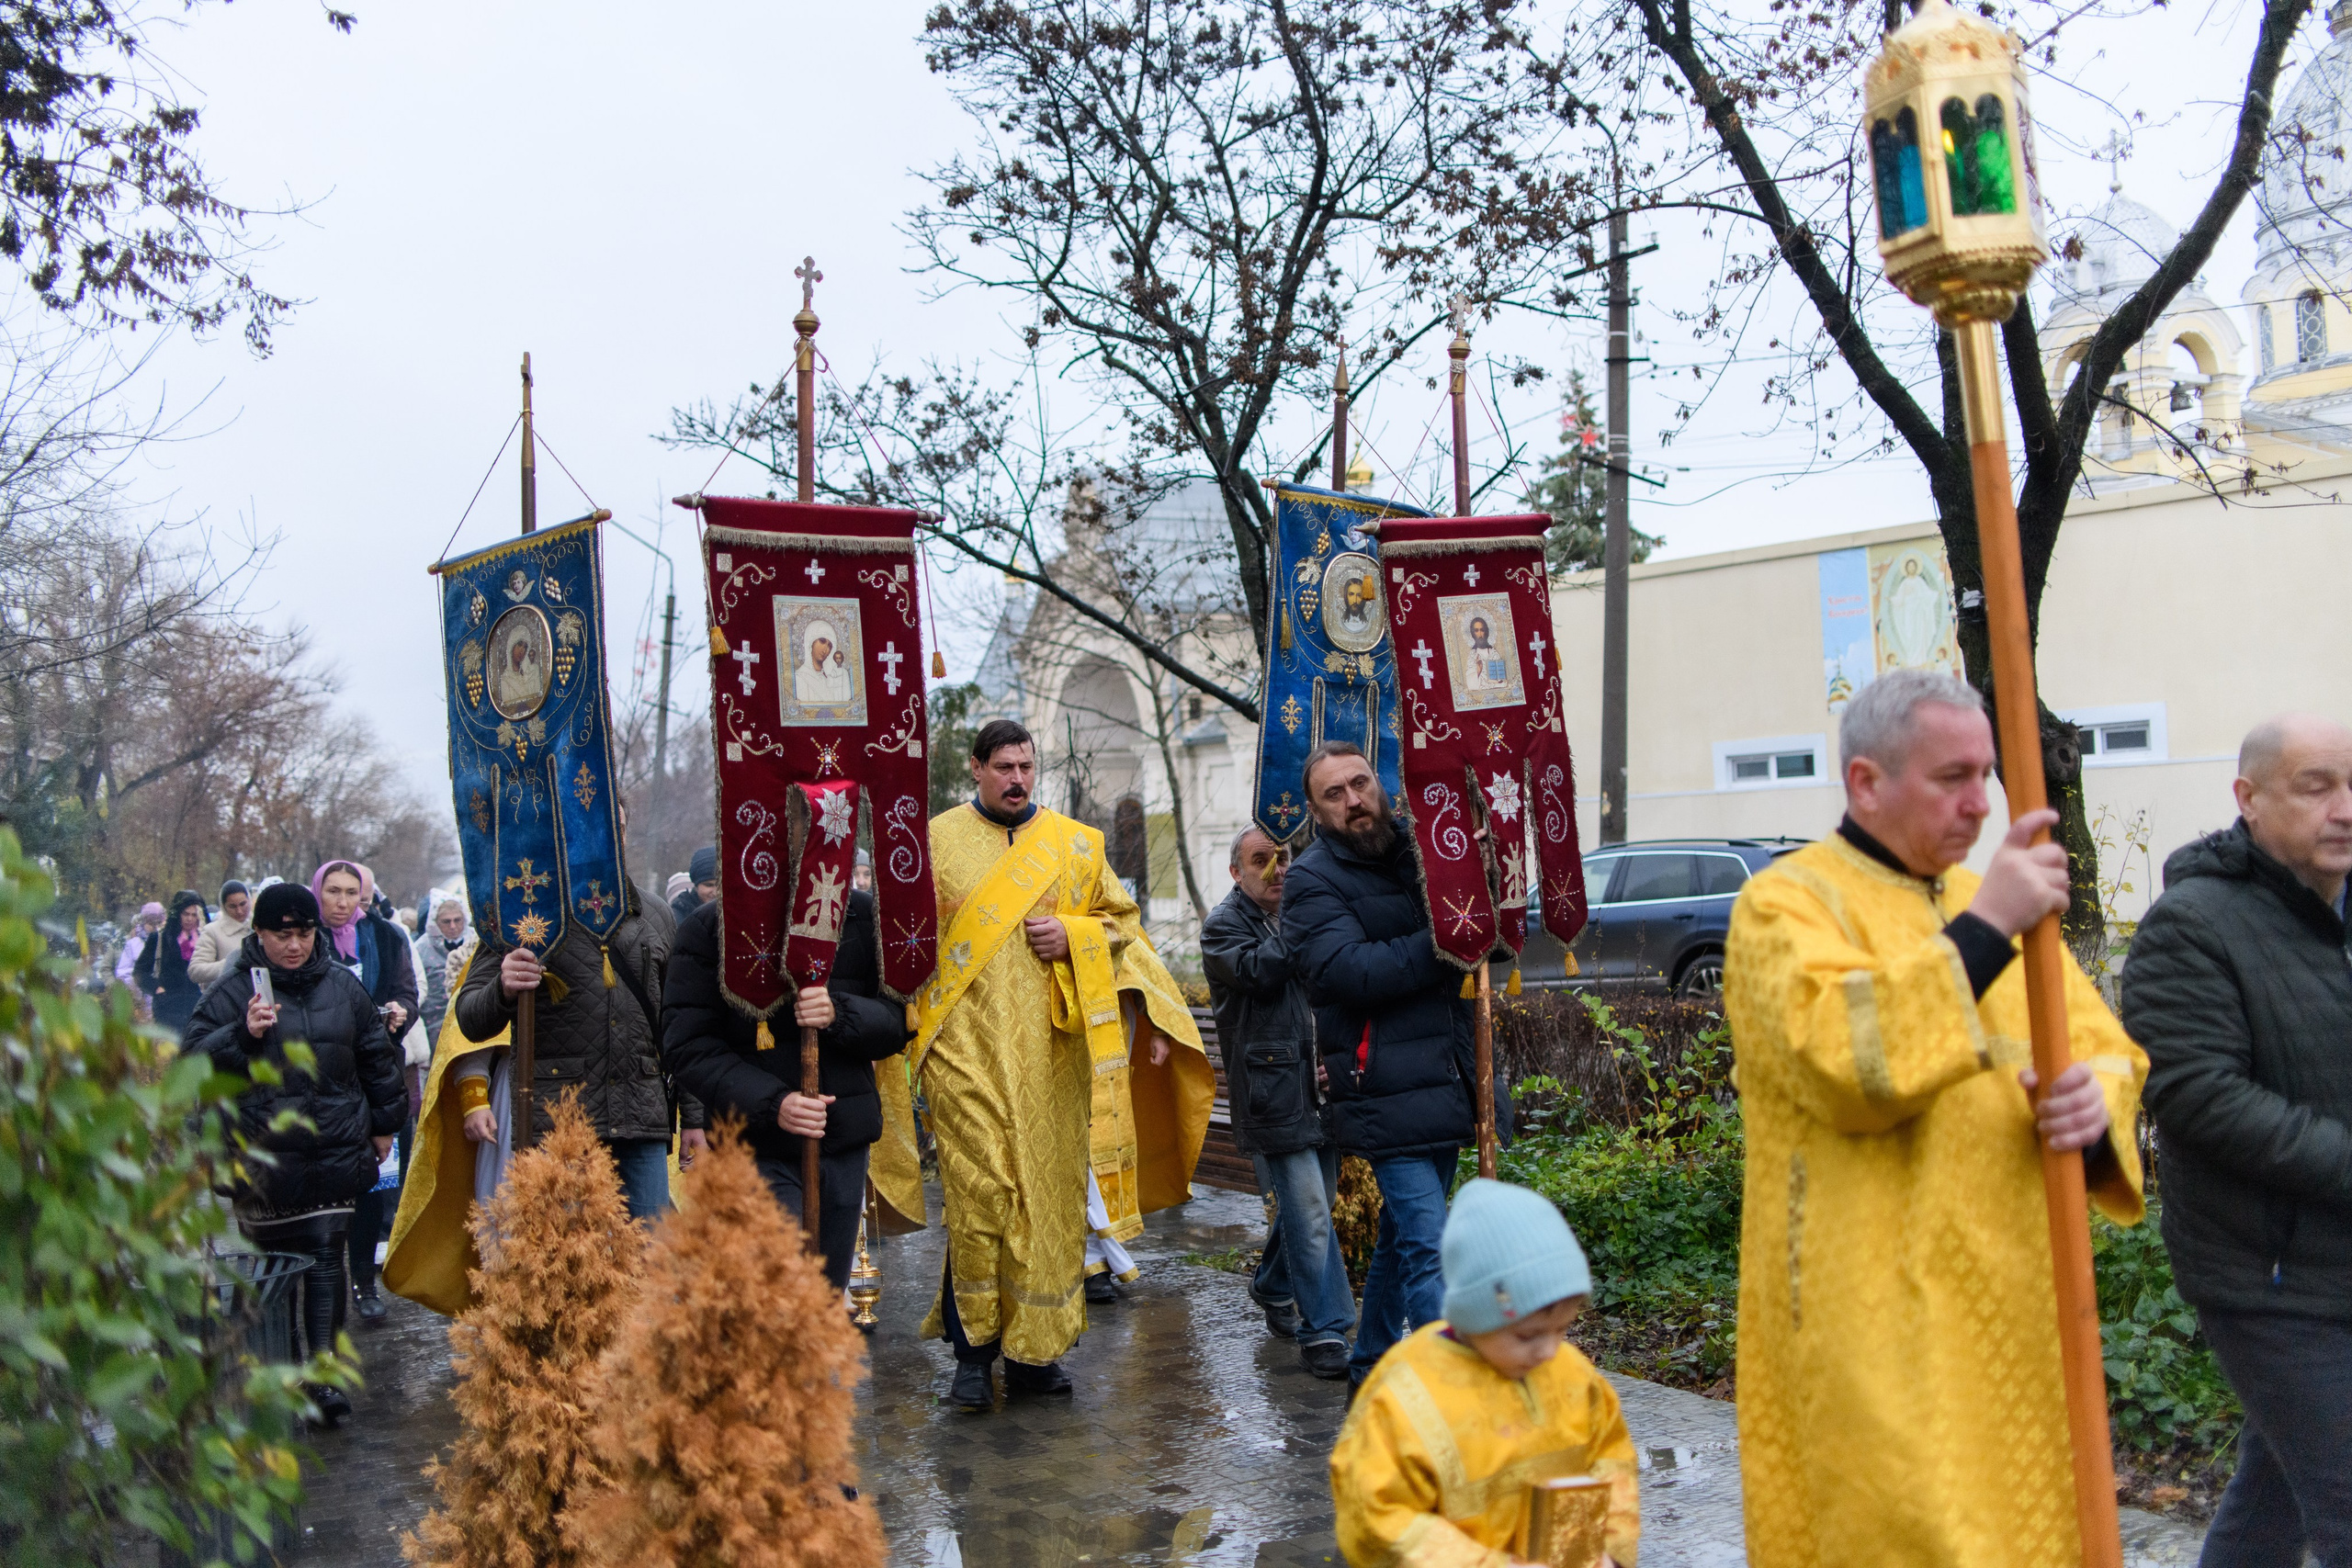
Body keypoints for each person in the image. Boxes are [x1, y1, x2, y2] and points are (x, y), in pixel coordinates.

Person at [1723, 669, 2147, 1568]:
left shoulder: (1980, 903)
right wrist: (1991, 921)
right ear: (1866, 783)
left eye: (1986, 775)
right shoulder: (1784, 905)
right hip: (1869, 1316)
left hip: (2006, 1302)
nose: (1979, 804)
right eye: (1951, 778)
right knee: (1898, 1532)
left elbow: (2101, 1046)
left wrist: (2089, 1097)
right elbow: (1845, 1063)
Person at [869, 718, 1214, 1412]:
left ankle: (1033, 1355)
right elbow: (899, 936)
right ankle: (973, 1355)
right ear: (976, 768)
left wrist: (1076, 935)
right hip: (961, 1050)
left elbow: (1123, 926)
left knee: (1045, 1201)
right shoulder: (935, 842)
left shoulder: (1076, 847)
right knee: (981, 1194)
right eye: (1003, 766)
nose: (1018, 778)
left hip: (1053, 1057)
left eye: (1027, 765)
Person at [2120, 712, 2352, 1568]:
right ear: (2247, 799)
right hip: (2270, 1278)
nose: (2345, 807)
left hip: (2340, 1261)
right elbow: (2196, 1096)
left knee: (2271, 1503)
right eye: (2317, 785)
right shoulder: (2191, 926)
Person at [1282, 740, 1476, 1393]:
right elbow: (1348, 971)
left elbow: (1488, 940)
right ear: (1315, 810)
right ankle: (1446, 1397)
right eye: (1333, 794)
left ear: (1379, 783)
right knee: (1429, 1242)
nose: (1353, 801)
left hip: (1447, 1075)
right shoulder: (1311, 880)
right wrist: (1449, 934)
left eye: (1360, 783)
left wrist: (1482, 905)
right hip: (1382, 1086)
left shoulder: (1424, 853)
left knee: (1401, 1236)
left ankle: (1369, 1364)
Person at [183, 882, 405, 1425]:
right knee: (278, 1270)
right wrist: (242, 1035)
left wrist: (384, 1125)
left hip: (332, 1147)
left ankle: (323, 1379)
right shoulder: (234, 991)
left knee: (327, 1261)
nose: (294, 945)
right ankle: (280, 1373)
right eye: (282, 934)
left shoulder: (342, 987)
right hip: (265, 1160)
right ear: (258, 933)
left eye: (303, 933)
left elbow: (374, 1057)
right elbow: (189, 1063)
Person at [1330, 1179, 1638, 1568]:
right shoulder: (1406, 1392)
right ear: (1474, 1316)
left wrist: (1610, 1551)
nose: (1549, 1351)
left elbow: (1612, 1463)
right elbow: (1376, 1514)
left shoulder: (1574, 1375)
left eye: (1563, 1329)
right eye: (1527, 1335)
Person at [662, 884, 909, 1289]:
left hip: (843, 1143)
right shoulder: (710, 927)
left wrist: (840, 1013)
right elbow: (687, 1043)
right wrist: (773, 1103)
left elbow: (900, 1021)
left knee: (826, 1299)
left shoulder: (862, 916)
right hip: (754, 1146)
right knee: (775, 1295)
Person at [447, 869, 701, 1222]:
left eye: (615, 822)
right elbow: (471, 1019)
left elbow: (680, 1023)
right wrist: (503, 987)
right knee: (566, 1264)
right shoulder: (523, 910)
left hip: (640, 1116)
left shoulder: (654, 912)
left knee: (650, 1258)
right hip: (557, 1122)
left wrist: (694, 1116)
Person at [1202, 824, 1353, 1380]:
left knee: (1316, 1206)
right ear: (1236, 872)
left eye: (1284, 858)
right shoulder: (1223, 927)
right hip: (1272, 1092)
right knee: (1310, 1213)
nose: (1277, 870)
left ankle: (1271, 1285)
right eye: (1261, 860)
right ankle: (1328, 1330)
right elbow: (1259, 972)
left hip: (1322, 1087)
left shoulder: (1299, 915)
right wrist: (1303, 923)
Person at [313, 860, 419, 1325]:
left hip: (376, 1073)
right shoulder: (304, 939)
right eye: (332, 891)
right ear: (318, 893)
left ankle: (363, 1283)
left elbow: (409, 992)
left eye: (350, 892)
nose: (341, 901)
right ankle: (322, 1281)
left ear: (364, 895)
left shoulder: (386, 936)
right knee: (324, 1187)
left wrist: (399, 1012)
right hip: (321, 1079)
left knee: (374, 1182)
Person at [138, 889, 209, 1032]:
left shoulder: (206, 940)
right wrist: (157, 988)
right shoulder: (160, 939)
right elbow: (140, 971)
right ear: (177, 914)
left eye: (194, 915)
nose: (189, 919)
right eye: (185, 914)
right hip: (167, 1010)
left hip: (198, 1010)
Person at [187, 880, 252, 988]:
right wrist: (230, 964)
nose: (239, 911)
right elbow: (195, 970)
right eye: (232, 906)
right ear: (224, 907)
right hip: (226, 999)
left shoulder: (260, 927)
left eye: (243, 904)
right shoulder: (212, 931)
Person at [115, 900, 164, 1007]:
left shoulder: (167, 943)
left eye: (158, 923)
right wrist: (139, 987)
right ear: (143, 923)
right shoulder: (133, 944)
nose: (155, 927)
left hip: (164, 999)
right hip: (142, 1000)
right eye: (151, 923)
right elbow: (123, 972)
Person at [671, 845, 717, 924]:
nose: (716, 892)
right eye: (709, 885)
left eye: (723, 885)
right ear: (696, 885)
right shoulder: (677, 918)